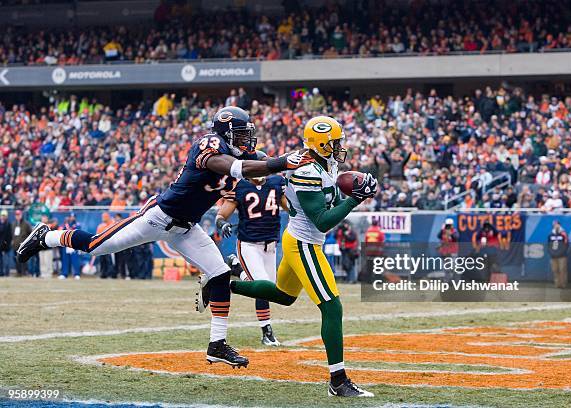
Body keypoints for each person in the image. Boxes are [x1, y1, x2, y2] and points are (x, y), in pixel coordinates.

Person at [17, 106, 314, 368]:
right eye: (240, 133)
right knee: (96, 246)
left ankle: (217, 345)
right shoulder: (209, 145)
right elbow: (238, 167)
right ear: (225, 132)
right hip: (158, 218)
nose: (246, 139)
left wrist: (299, 162)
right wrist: (281, 162)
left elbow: (262, 164)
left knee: (221, 275)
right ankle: (47, 236)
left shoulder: (241, 153)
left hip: (187, 228)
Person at [229, 116, 377, 397]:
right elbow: (321, 220)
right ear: (321, 143)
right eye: (335, 143)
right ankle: (338, 381)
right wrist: (354, 199)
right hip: (305, 243)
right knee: (332, 308)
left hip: (298, 238)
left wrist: (355, 188)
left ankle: (225, 283)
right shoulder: (307, 170)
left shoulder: (322, 163)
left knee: (284, 296)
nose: (339, 147)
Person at [216, 174, 288, 346]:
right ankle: (267, 332)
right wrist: (222, 224)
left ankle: (236, 269)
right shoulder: (240, 187)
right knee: (262, 287)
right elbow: (221, 215)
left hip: (270, 246)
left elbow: (291, 208)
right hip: (249, 245)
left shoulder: (276, 183)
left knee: (269, 290)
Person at [58, 213, 82, 280]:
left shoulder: (77, 224)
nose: (71, 218)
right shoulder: (65, 224)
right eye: (70, 217)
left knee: (75, 260)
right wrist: (65, 224)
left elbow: (77, 231)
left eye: (73, 217)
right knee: (65, 260)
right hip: (66, 243)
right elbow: (61, 230)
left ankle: (76, 274)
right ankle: (64, 273)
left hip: (74, 244)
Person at [547, 220, 568, 288]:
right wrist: (551, 252)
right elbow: (549, 245)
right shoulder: (551, 234)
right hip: (553, 256)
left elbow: (566, 244)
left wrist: (561, 252)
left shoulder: (563, 234)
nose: (555, 226)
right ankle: (557, 284)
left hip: (562, 256)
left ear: (559, 225)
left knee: (562, 270)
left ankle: (563, 284)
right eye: (554, 225)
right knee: (555, 270)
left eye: (557, 224)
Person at [12, 210, 32, 277]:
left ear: (21, 215)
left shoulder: (26, 224)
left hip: (23, 245)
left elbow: (30, 233)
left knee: (23, 259)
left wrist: (26, 242)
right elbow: (12, 234)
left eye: (19, 215)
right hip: (15, 245)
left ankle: (24, 272)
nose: (17, 216)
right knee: (16, 259)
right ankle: (19, 272)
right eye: (16, 215)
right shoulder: (14, 224)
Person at [96, 212, 115, 279]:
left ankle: (111, 274)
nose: (103, 218)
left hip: (110, 245)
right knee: (102, 260)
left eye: (105, 217)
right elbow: (97, 236)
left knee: (109, 260)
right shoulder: (100, 226)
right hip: (102, 246)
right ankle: (103, 274)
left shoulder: (112, 224)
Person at [0, 210, 12, 277]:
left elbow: (9, 236)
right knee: (0, 262)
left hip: (6, 247)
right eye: (2, 215)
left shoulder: (8, 224)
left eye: (4, 216)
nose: (3, 217)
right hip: (0, 246)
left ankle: (7, 273)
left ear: (6, 216)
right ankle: (1, 273)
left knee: (6, 261)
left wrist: (5, 245)